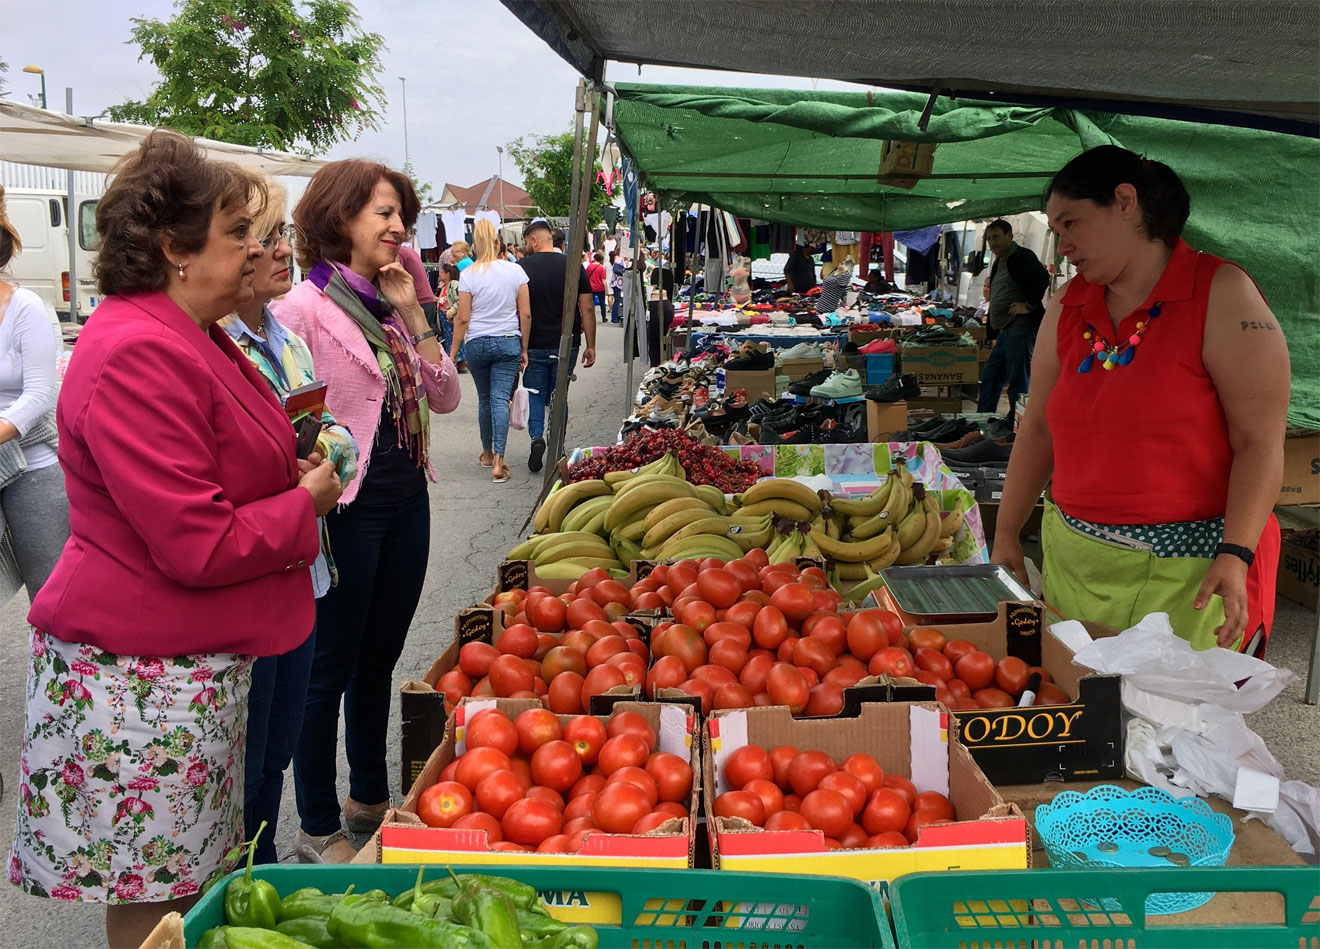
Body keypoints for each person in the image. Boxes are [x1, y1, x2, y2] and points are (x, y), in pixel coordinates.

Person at [8, 131, 339, 947]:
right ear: (173, 247)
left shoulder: (192, 330)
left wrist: (292, 464)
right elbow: (195, 540)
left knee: (184, 883)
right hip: (140, 680)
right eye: (237, 233)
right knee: (157, 893)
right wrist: (307, 502)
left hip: (179, 670)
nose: (256, 248)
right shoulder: (138, 350)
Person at [992, 145, 1288, 657]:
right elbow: (1038, 426)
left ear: (1125, 202)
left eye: (1071, 224)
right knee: (1080, 709)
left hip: (1194, 572)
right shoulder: (1067, 303)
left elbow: (1259, 441)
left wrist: (1236, 554)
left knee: (1177, 724)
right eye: (1056, 231)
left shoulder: (1222, 293)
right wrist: (1006, 530)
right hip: (1077, 561)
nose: (1063, 246)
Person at [277, 158, 460, 863]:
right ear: (339, 216)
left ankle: (370, 795)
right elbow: (283, 413)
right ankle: (317, 821)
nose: (396, 227)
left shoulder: (394, 306)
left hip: (405, 499)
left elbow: (444, 399)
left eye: (401, 217)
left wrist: (417, 313)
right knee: (330, 665)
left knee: (377, 659)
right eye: (383, 213)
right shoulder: (304, 309)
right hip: (344, 511)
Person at [221, 177, 358, 865]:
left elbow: (337, 437)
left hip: (303, 567)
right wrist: (304, 475)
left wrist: (320, 459)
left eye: (283, 236)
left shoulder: (282, 335)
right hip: (250, 576)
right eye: (266, 236)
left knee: (273, 748)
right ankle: (244, 878)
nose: (284, 251)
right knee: (243, 760)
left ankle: (262, 864)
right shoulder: (215, 344)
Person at [0, 186, 67, 604]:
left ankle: (62, 667)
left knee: (52, 592)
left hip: (31, 466)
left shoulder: (25, 306)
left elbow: (42, 392)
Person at [450, 218, 531, 483]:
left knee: (485, 398)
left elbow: (462, 318)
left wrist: (452, 354)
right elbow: (526, 314)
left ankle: (486, 452)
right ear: (498, 244)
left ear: (474, 245)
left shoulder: (468, 274)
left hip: (476, 344)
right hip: (508, 340)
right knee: (499, 399)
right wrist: (524, 348)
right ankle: (499, 460)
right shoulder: (515, 271)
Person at [519, 219, 596, 472]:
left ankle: (536, 438)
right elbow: (586, 308)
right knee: (558, 394)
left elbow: (519, 311)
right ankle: (557, 445)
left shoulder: (521, 268)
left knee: (535, 394)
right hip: (567, 342)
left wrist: (521, 346)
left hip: (534, 344)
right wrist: (590, 344)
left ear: (533, 240)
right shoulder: (573, 265)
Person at [976, 219, 1050, 415]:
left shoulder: (1021, 256)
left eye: (996, 237)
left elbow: (1042, 278)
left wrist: (1028, 306)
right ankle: (982, 425)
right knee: (990, 379)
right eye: (989, 239)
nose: (992, 243)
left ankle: (1017, 432)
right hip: (1005, 332)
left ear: (1009, 235)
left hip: (1020, 329)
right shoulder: (1000, 260)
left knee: (1018, 385)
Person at [438, 241, 470, 372]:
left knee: (457, 334)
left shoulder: (461, 266)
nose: (452, 255)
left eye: (454, 252)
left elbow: (461, 294)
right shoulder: (468, 263)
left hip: (458, 308)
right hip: (459, 307)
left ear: (463, 252)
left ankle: (455, 359)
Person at [397, 243, 438, 333]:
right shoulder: (410, 251)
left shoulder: (399, 253)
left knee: (416, 337)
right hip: (427, 300)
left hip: (419, 302)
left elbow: (397, 278)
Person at [586, 252, 608, 323]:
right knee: (602, 303)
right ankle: (604, 317)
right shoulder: (602, 268)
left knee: (591, 304)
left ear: (595, 258)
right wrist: (606, 289)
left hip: (591, 287)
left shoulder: (589, 266)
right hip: (600, 287)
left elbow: (586, 277)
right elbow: (603, 279)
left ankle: (591, 318)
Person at [610, 251, 626, 324]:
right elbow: (616, 270)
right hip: (618, 283)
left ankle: (615, 317)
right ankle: (614, 318)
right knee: (617, 300)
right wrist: (624, 271)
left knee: (618, 300)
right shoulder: (619, 259)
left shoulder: (619, 259)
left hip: (618, 283)